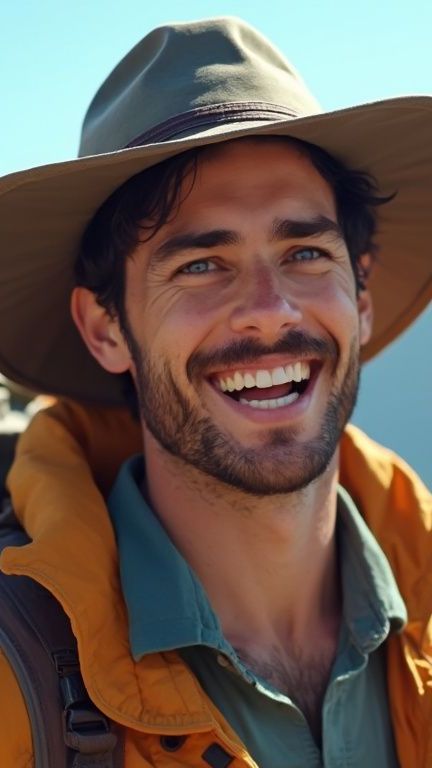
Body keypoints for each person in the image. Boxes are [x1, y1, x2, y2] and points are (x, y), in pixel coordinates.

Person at [0, 16, 431, 768]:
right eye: (202, 265)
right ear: (104, 327)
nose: (271, 309)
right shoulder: (16, 680)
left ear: (359, 296)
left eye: (304, 252)